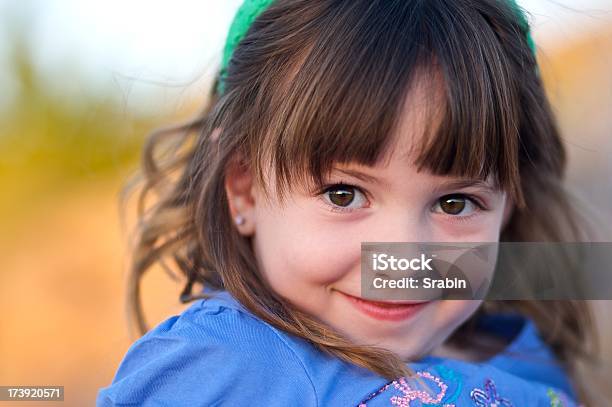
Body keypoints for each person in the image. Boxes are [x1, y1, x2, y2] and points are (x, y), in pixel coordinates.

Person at [97, 0, 599, 405]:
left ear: (509, 204)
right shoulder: (225, 367)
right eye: (345, 194)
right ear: (244, 189)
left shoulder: (525, 355)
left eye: (455, 204)